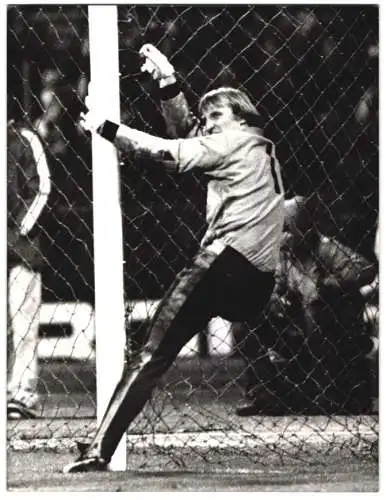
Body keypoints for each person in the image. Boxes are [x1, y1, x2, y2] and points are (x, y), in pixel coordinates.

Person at [63, 44, 285, 472]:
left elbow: (169, 151)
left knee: (150, 353)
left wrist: (106, 128)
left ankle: (98, 448)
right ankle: (284, 366)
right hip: (258, 283)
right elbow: (188, 134)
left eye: (215, 115)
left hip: (224, 262)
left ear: (240, 116)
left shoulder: (232, 140)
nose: (207, 124)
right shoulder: (257, 147)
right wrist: (167, 83)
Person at [237, 195, 378, 416]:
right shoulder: (285, 255)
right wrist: (275, 299)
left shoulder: (325, 249)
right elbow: (277, 286)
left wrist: (329, 285)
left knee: (315, 309)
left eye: (286, 228)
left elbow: (366, 269)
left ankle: (329, 393)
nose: (280, 235)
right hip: (298, 326)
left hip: (331, 328)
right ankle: (264, 394)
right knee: (246, 320)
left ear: (301, 227)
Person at [7, 118, 51, 419]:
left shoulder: (22, 139)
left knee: (23, 324)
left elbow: (42, 188)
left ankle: (22, 393)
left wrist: (16, 232)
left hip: (20, 250)